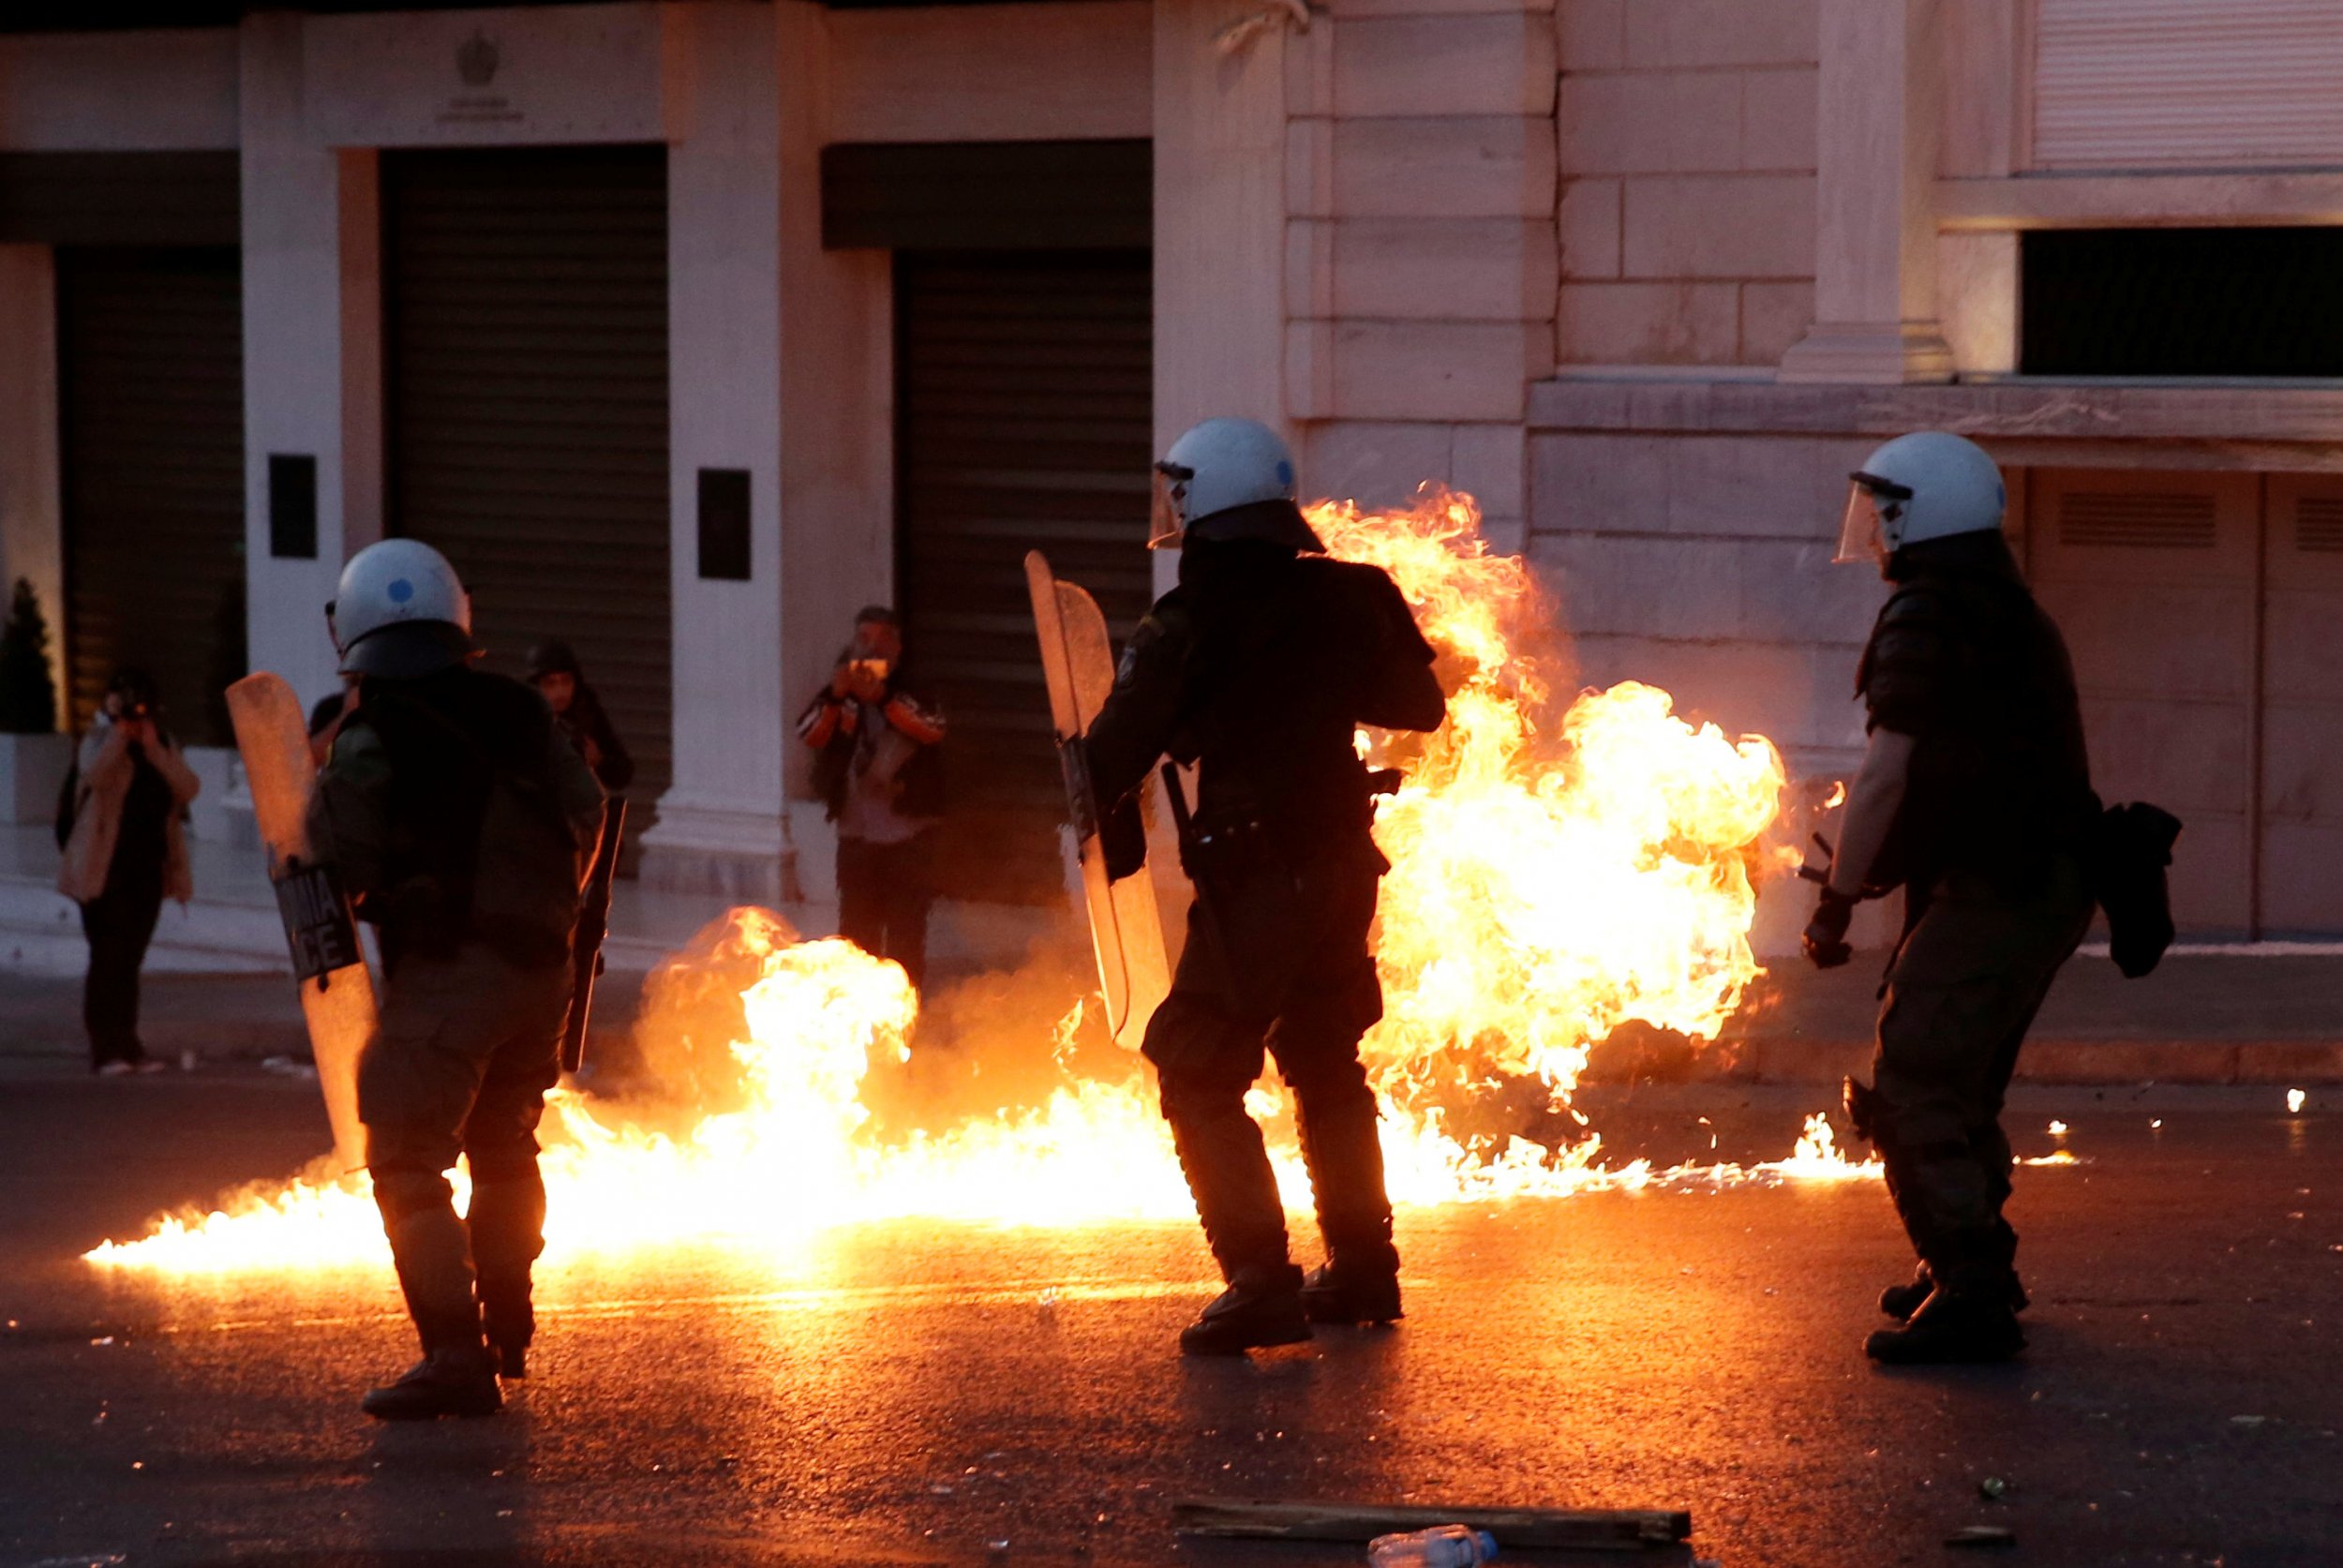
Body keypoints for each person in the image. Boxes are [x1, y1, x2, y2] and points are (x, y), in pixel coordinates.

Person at [1080, 416, 1447, 1354]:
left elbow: (1114, 749)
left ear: (1205, 501)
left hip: (1259, 873)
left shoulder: (1189, 619)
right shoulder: (1352, 594)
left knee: (1197, 1064)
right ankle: (1365, 1267)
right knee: (1325, 1057)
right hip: (1342, 865)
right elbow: (1418, 704)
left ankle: (1257, 1280)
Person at [1803, 430, 2098, 1366]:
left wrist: (1837, 899)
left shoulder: (1928, 612)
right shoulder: (2001, 607)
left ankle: (1969, 1289)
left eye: (1879, 514)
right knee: (1960, 1080)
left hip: (2001, 884)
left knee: (1914, 1081)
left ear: (1912, 516)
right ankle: (1972, 1263)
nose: (1870, 536)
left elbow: (1887, 769)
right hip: (2037, 879)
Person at [307, 539, 604, 1419]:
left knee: (405, 1156)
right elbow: (587, 814)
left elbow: (338, 856)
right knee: (506, 1145)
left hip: (446, 974)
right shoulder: (522, 710)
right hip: (542, 971)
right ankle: (508, 1319)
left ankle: (453, 1355)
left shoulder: (369, 738)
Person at [57, 667, 201, 1076]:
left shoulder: (162, 743)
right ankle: (106, 1048)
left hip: (147, 871)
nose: (138, 714)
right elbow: (96, 776)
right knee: (108, 957)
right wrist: (119, 733)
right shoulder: (98, 739)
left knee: (130, 959)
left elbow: (188, 788)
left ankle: (129, 1044)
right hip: (104, 870)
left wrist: (154, 748)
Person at [796, 606, 946, 990]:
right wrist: (836, 695)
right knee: (856, 938)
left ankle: (902, 1015)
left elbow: (930, 729)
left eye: (880, 641)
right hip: (857, 836)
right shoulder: (842, 694)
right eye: (863, 640)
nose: (870, 650)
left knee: (904, 937)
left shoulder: (912, 686)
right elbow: (811, 733)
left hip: (908, 836)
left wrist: (881, 697)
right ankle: (855, 1013)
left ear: (896, 646)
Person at [525, 639, 634, 794]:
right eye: (550, 683)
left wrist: (599, 761)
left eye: (566, 681)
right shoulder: (523, 718)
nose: (560, 691)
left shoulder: (585, 713)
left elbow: (622, 772)